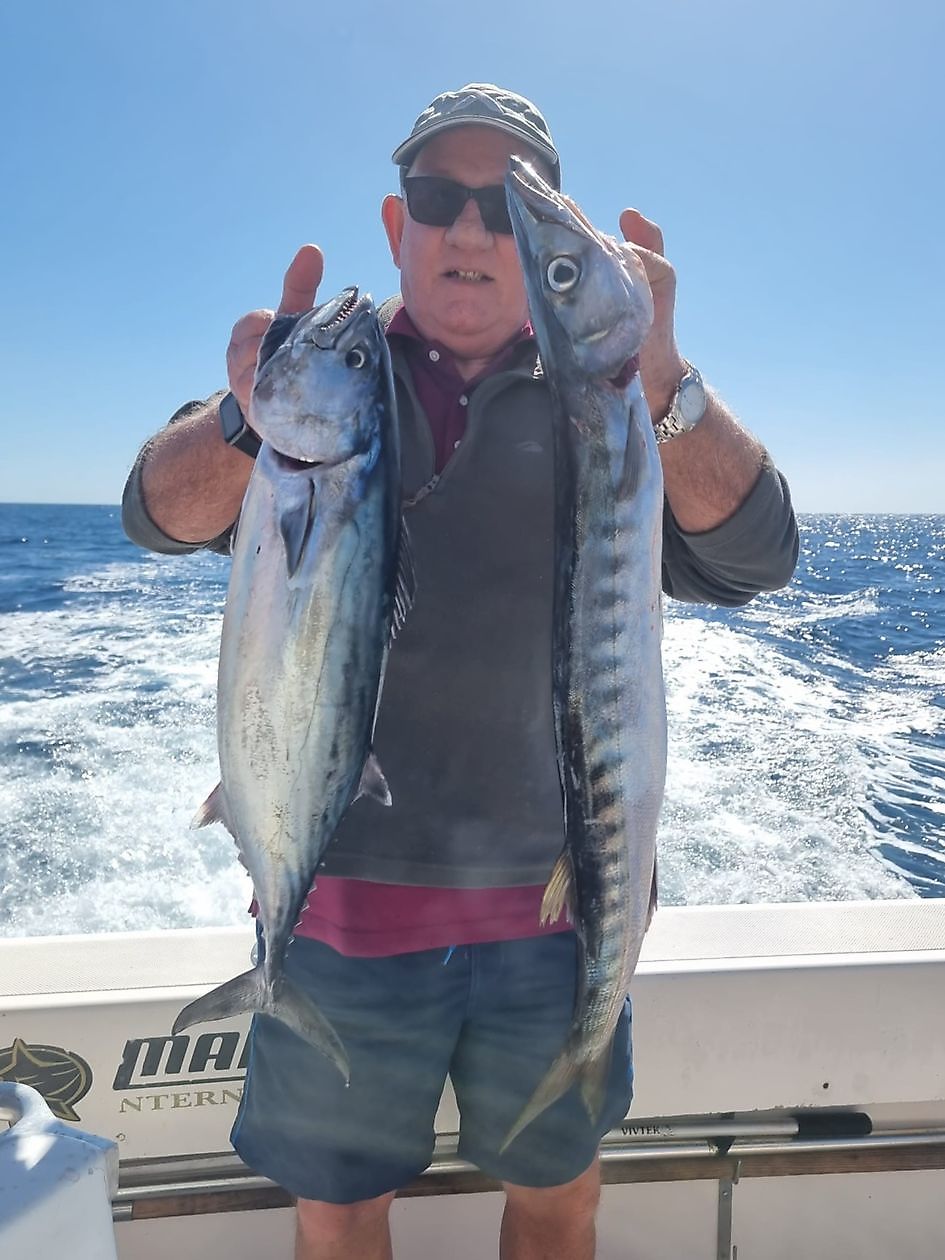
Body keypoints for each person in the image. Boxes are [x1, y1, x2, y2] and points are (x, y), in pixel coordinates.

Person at [123, 84, 798, 1260]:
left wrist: (664, 386)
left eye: (502, 205)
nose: (473, 230)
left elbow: (756, 556)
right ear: (399, 226)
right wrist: (244, 419)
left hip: (560, 907)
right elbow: (156, 515)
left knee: (558, 1200)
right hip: (339, 911)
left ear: (542, 234)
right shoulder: (325, 373)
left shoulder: (608, 403)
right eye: (441, 198)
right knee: (338, 1215)